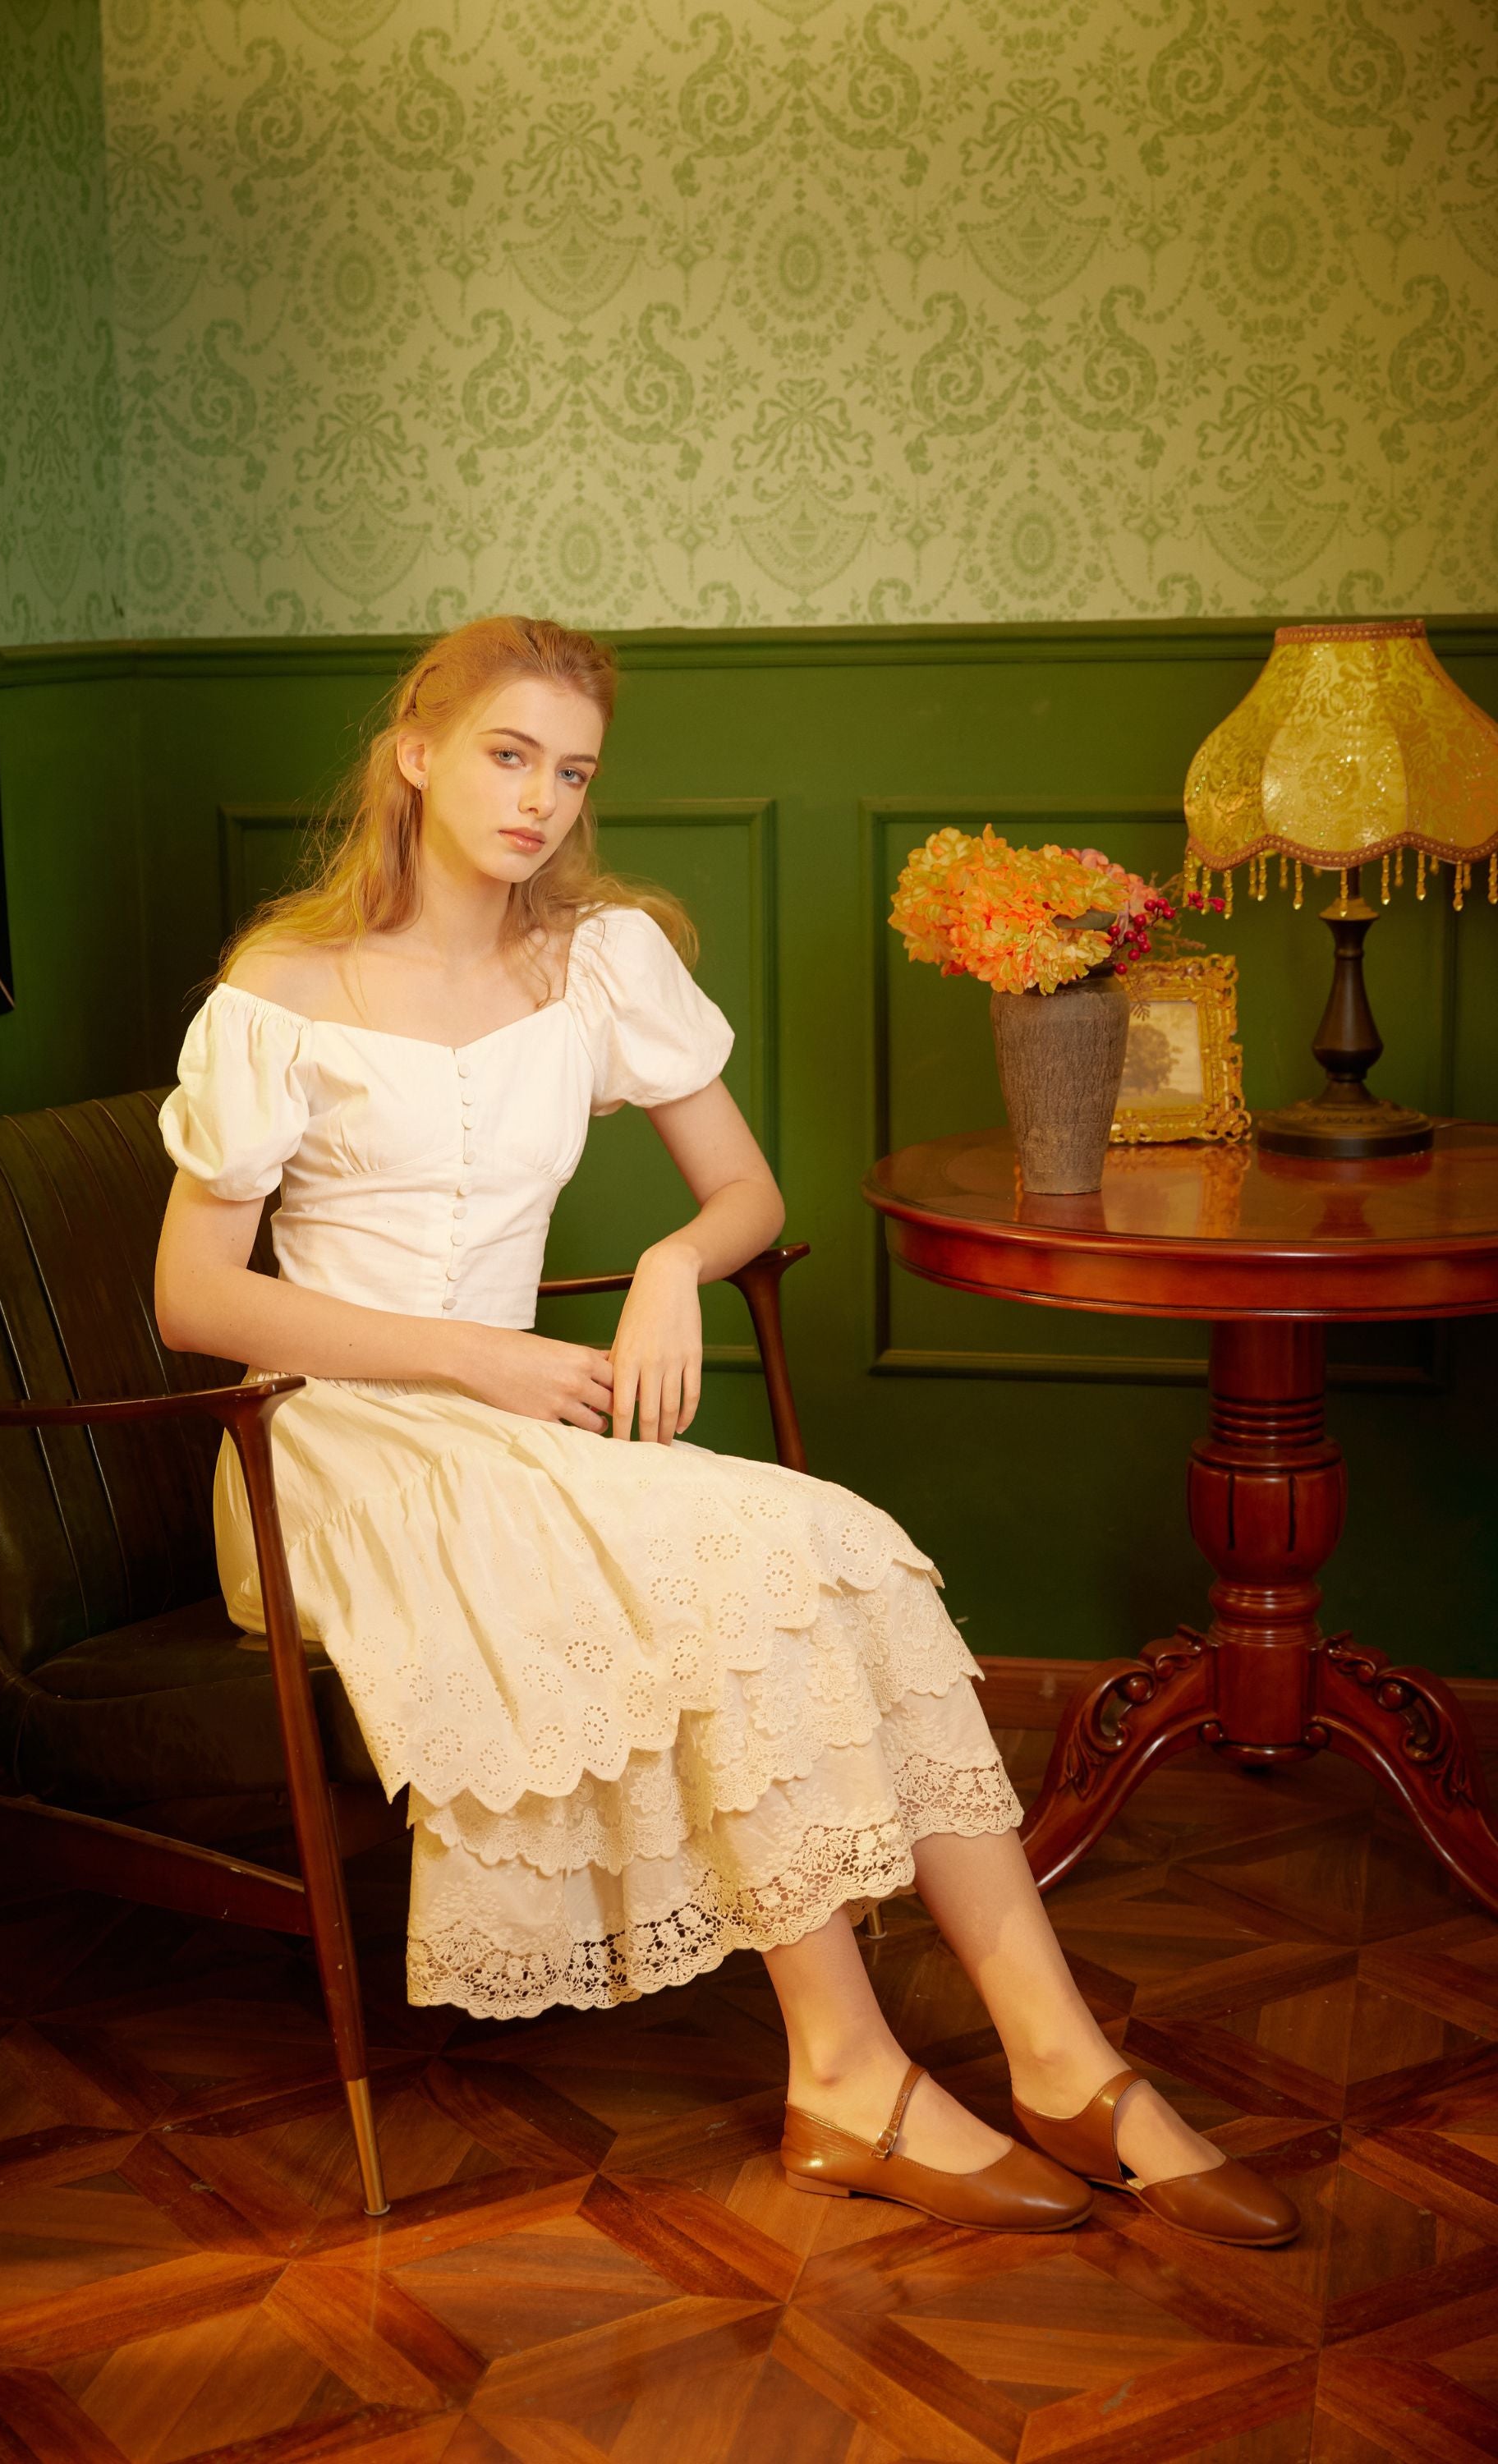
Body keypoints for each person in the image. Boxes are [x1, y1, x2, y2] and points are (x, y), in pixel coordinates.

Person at [154, 614, 1296, 2246]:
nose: (540, 798)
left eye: (571, 769)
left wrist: (679, 1267)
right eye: (505, 754)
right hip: (330, 1458)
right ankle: (851, 2068)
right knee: (747, 1564)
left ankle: (1052, 2061)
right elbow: (195, 1300)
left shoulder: (602, 956)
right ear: (416, 752)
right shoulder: (281, 990)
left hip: (527, 1428)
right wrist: (473, 1360)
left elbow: (747, 1190)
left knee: (836, 1555)